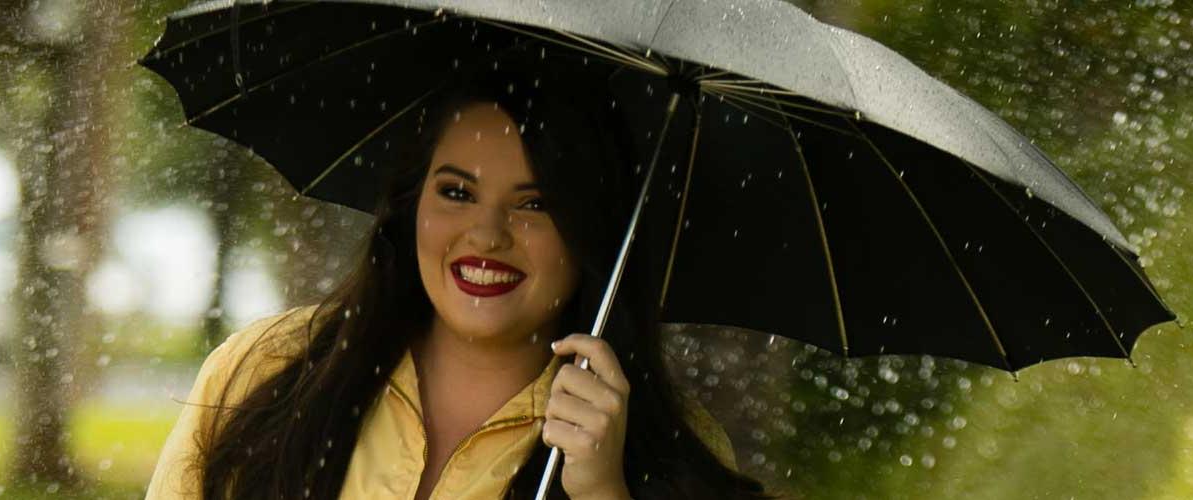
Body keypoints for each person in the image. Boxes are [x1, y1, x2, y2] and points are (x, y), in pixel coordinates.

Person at [147, 72, 774, 499]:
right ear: (409, 205)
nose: (487, 234)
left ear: (590, 234)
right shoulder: (267, 368)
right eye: (456, 192)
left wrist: (604, 490)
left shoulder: (651, 443)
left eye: (535, 204)